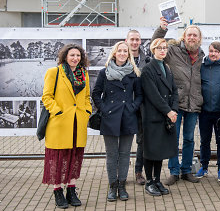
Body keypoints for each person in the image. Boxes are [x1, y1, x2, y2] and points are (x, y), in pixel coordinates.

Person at [152, 18, 204, 185]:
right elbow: (155, 44)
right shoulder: (173, 51)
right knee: (173, 138)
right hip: (175, 103)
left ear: (199, 38)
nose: (191, 38)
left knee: (189, 139)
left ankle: (186, 170)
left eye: (195, 35)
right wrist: (162, 28)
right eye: (189, 35)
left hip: (194, 104)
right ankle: (174, 172)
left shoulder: (202, 56)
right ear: (184, 36)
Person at [41, 44, 92, 209]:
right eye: (72, 55)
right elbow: (47, 96)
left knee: (75, 157)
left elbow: (87, 96)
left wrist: (86, 111)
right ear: (65, 57)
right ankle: (58, 191)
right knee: (58, 158)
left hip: (78, 122)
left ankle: (71, 189)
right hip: (60, 123)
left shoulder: (84, 74)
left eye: (78, 55)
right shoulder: (54, 73)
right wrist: (57, 111)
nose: (75, 58)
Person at [92, 41, 143, 201]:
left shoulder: (134, 73)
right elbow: (96, 93)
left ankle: (122, 185)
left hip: (127, 117)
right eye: (119, 50)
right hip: (110, 118)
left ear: (128, 54)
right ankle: (112, 186)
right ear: (114, 53)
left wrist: (132, 107)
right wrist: (104, 109)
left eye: (125, 51)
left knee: (125, 154)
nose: (122, 53)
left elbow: (140, 95)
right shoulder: (104, 72)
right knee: (112, 154)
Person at [140, 38, 179, 197]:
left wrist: (174, 109)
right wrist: (168, 111)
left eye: (165, 48)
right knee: (151, 151)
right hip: (153, 117)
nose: (163, 51)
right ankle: (149, 181)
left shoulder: (167, 67)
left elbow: (174, 91)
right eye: (159, 48)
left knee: (160, 150)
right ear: (153, 50)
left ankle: (157, 180)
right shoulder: (147, 69)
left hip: (166, 116)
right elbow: (153, 95)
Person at [196, 41, 220, 181]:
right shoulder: (202, 66)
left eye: (216, 51)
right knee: (204, 141)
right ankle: (204, 166)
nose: (213, 54)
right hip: (204, 111)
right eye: (211, 51)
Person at [125, 29, 150, 186]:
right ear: (126, 40)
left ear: (140, 41)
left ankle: (139, 172)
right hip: (125, 107)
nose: (134, 42)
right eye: (132, 39)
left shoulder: (146, 59)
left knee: (141, 141)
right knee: (124, 142)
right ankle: (120, 173)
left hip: (141, 107)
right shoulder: (120, 56)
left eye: (137, 39)